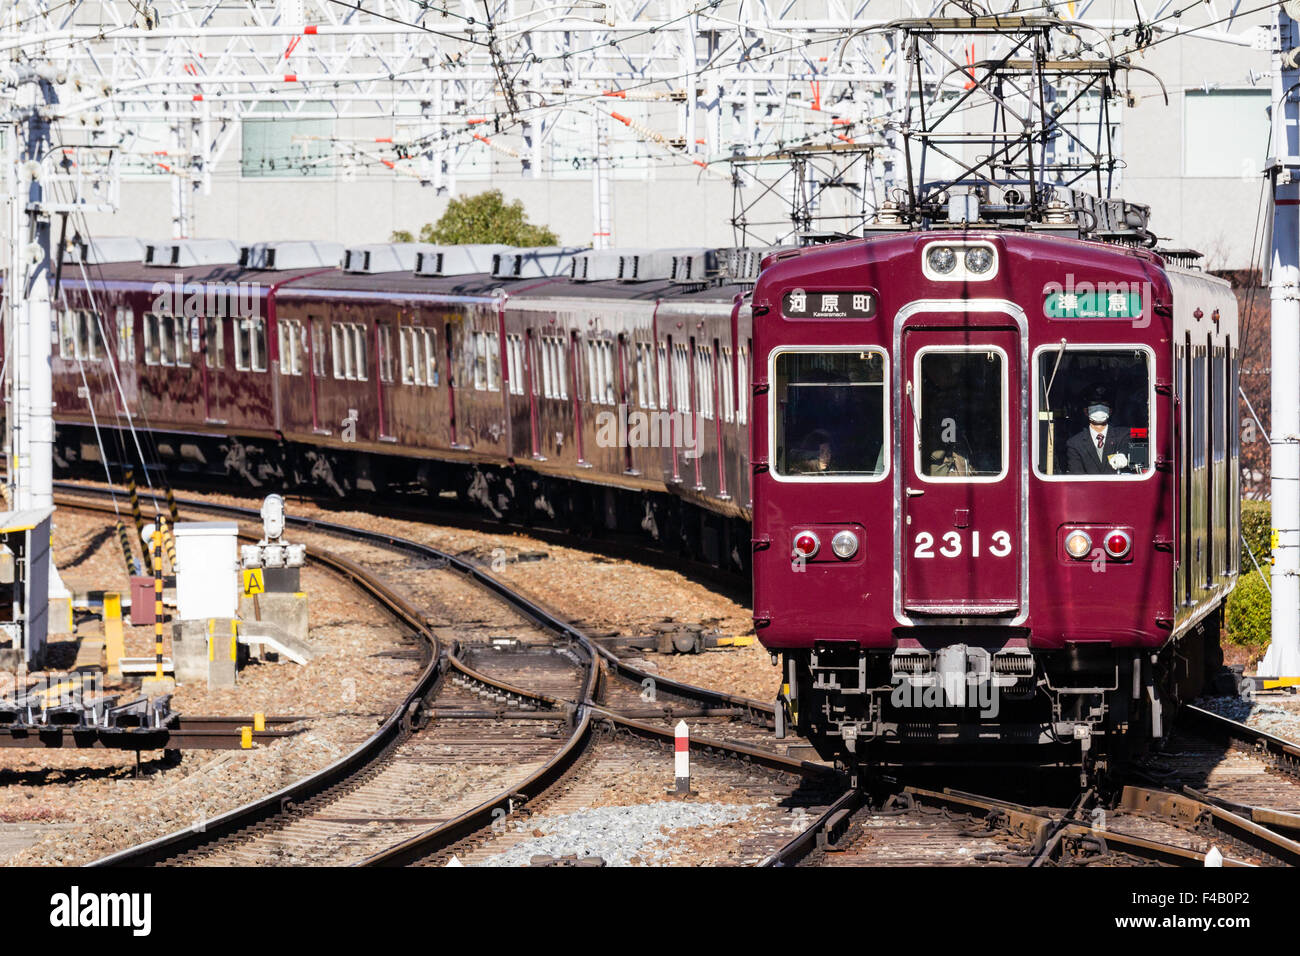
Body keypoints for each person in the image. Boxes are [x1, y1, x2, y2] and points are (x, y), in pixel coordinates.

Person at [1065, 389, 1133, 475]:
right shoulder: (1075, 443)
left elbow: (1128, 448)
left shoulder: (1124, 434)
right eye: (1094, 405)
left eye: (1104, 405)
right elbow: (1077, 474)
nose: (1099, 409)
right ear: (1086, 411)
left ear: (1110, 411)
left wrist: (1124, 456)